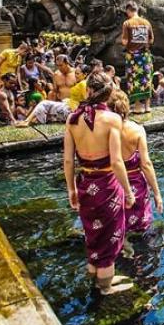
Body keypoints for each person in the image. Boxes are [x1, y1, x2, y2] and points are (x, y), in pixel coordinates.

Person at [63, 72, 135, 295]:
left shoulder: (72, 119)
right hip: (107, 188)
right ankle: (105, 287)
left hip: (85, 184)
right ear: (109, 93)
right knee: (110, 238)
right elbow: (116, 161)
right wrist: (129, 192)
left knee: (93, 236)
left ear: (88, 91)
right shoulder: (113, 119)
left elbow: (68, 159)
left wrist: (71, 189)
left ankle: (95, 278)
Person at [107, 90, 163, 233]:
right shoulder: (137, 130)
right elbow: (146, 164)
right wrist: (157, 193)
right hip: (136, 187)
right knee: (141, 228)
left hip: (113, 185)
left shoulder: (104, 132)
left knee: (116, 228)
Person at [18, 64, 89, 126]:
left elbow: (87, 100)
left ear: (85, 74)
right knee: (44, 105)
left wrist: (77, 111)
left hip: (70, 110)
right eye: (75, 73)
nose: (75, 75)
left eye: (78, 74)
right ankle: (32, 121)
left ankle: (27, 121)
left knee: (44, 103)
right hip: (68, 107)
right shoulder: (80, 83)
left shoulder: (83, 84)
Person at [121, 1, 154, 114]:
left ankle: (138, 107)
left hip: (133, 57)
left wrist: (124, 42)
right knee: (147, 79)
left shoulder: (127, 23)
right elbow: (151, 40)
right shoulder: (146, 22)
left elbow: (125, 42)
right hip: (145, 56)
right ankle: (148, 106)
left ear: (128, 10)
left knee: (133, 80)